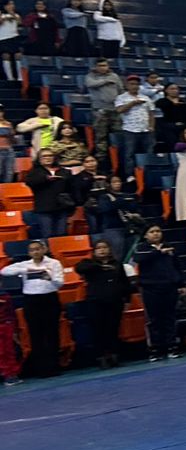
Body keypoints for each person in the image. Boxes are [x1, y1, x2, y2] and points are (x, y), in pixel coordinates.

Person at [2, 241, 65, 376]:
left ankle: (54, 366)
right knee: (36, 334)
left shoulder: (54, 263)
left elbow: (60, 283)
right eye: (32, 250)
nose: (35, 252)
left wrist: (50, 278)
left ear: (44, 249)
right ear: (29, 252)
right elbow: (4, 271)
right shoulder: (25, 264)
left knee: (52, 333)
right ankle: (40, 368)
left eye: (37, 249)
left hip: (50, 299)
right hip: (31, 301)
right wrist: (25, 270)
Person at [74, 239, 133, 368]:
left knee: (113, 329)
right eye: (99, 248)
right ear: (94, 251)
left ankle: (114, 355)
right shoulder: (89, 264)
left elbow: (124, 283)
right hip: (96, 302)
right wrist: (100, 266)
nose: (102, 250)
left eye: (105, 247)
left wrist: (127, 299)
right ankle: (101, 357)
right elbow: (79, 268)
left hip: (115, 301)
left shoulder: (117, 264)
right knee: (98, 330)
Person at [133, 225, 186, 360]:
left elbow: (177, 266)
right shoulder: (142, 248)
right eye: (152, 232)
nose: (156, 234)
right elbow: (138, 259)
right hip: (151, 289)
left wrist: (181, 283)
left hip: (169, 287)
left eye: (158, 231)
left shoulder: (170, 248)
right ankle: (155, 349)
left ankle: (172, 346)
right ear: (146, 235)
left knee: (170, 318)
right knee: (154, 319)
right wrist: (158, 252)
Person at [24, 148, 74, 239]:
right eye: (44, 156)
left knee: (62, 234)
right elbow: (29, 182)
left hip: (62, 208)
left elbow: (71, 188)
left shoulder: (64, 171)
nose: (48, 158)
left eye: (50, 155)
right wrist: (46, 179)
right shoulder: (34, 172)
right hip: (44, 209)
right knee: (47, 234)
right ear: (39, 159)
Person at [113, 78, 156, 183]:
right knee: (129, 154)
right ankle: (130, 175)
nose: (134, 86)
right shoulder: (121, 98)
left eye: (136, 84)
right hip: (130, 130)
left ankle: (147, 173)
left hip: (146, 130)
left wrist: (151, 126)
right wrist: (132, 103)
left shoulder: (145, 98)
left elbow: (151, 114)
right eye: (132, 84)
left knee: (149, 152)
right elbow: (119, 110)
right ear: (127, 85)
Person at [82, 59, 123, 151]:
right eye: (100, 65)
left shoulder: (114, 76)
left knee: (118, 134)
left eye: (104, 65)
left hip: (115, 110)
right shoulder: (90, 76)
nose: (102, 67)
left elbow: (121, 90)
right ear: (96, 67)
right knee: (101, 136)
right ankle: (101, 158)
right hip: (99, 110)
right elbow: (90, 84)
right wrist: (106, 81)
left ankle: (118, 156)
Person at [154, 83, 186, 153]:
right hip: (168, 129)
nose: (175, 91)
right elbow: (159, 118)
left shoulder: (183, 102)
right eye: (172, 89)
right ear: (166, 91)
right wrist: (173, 104)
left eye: (176, 89)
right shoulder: (161, 102)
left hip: (183, 128)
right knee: (173, 148)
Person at [0, 0, 21, 81]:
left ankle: (19, 76)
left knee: (18, 55)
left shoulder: (16, 15)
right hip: (3, 37)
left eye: (12, 4)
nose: (11, 6)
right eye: (9, 4)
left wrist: (12, 13)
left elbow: (19, 22)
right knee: (6, 56)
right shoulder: (1, 14)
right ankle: (9, 77)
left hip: (14, 37)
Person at [0, 109, 14, 185]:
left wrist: (10, 130)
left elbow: (13, 140)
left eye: (1, 111)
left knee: (9, 174)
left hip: (9, 151)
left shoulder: (8, 124)